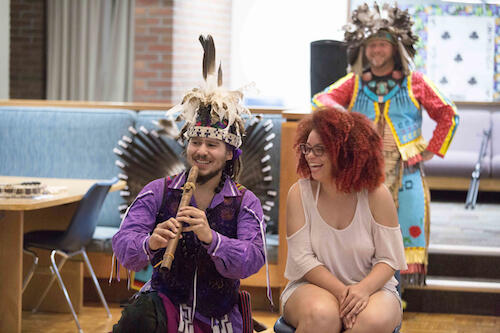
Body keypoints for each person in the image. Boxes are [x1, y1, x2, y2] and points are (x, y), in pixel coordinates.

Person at [111, 35, 269, 333]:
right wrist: (151, 242)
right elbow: (122, 244)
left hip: (219, 316)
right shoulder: (160, 190)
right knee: (137, 319)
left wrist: (212, 238)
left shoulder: (245, 201)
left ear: (229, 153)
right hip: (164, 306)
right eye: (196, 142)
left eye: (212, 144)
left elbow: (253, 258)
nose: (202, 151)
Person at [312, 3, 459, 287]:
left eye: (382, 44)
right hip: (363, 170)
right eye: (371, 45)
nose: (376, 51)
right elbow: (321, 100)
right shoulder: (354, 83)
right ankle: (365, 290)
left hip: (406, 170)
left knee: (404, 226)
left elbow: (448, 113)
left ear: (395, 49)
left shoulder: (416, 83)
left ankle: (395, 294)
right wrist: (345, 120)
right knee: (361, 230)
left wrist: (430, 149)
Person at [281, 106, 407, 332]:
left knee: (370, 320)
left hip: (374, 289)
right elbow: (302, 259)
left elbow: (390, 258)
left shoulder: (377, 194)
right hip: (309, 287)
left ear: (346, 153)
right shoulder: (299, 194)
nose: (310, 156)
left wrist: (362, 290)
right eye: (307, 148)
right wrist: (343, 293)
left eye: (319, 150)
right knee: (322, 316)